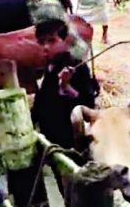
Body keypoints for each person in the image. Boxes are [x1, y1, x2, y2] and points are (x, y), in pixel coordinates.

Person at [31, 18, 99, 149]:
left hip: (69, 141)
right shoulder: (51, 65)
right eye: (42, 42)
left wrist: (66, 87)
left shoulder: (77, 67)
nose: (45, 47)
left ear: (67, 41)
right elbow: (42, 97)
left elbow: (88, 104)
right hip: (48, 137)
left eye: (51, 41)